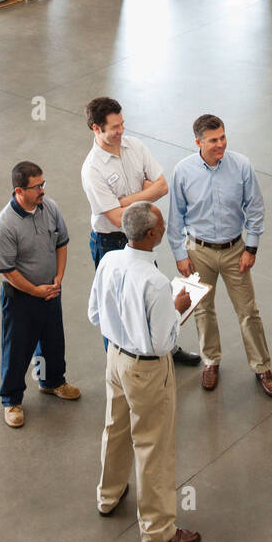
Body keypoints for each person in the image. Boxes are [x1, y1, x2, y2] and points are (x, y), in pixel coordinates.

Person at [88, 202, 201, 542]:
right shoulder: (154, 282)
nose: (165, 227)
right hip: (147, 370)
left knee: (115, 425)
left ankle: (108, 495)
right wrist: (178, 306)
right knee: (153, 445)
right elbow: (162, 343)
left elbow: (94, 314)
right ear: (151, 234)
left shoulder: (108, 262)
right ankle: (157, 529)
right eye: (162, 224)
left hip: (115, 359)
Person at [81, 95, 199, 365]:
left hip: (141, 237)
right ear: (96, 129)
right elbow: (116, 218)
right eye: (114, 127)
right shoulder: (92, 169)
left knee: (151, 293)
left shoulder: (135, 146)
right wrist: (142, 196)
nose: (121, 131)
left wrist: (123, 201)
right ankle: (119, 359)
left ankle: (166, 344)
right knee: (117, 303)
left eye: (122, 124)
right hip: (110, 242)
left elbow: (161, 186)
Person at [167, 114, 272, 396]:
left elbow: (255, 209)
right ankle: (211, 361)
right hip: (198, 251)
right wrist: (180, 253)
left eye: (223, 137)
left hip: (234, 251)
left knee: (248, 312)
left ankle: (262, 366)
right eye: (213, 140)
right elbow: (175, 218)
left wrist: (250, 248)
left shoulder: (241, 166)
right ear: (198, 142)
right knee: (203, 310)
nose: (220, 144)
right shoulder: (183, 171)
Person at [0, 160, 81, 428]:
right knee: (17, 349)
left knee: (53, 341)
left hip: (51, 290)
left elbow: (61, 243)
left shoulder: (49, 207)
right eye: (36, 186)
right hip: (21, 297)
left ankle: (53, 382)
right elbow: (7, 271)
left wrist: (58, 280)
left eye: (43, 184)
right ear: (19, 191)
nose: (42, 190)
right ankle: (12, 400)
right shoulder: (5, 226)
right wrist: (35, 290)